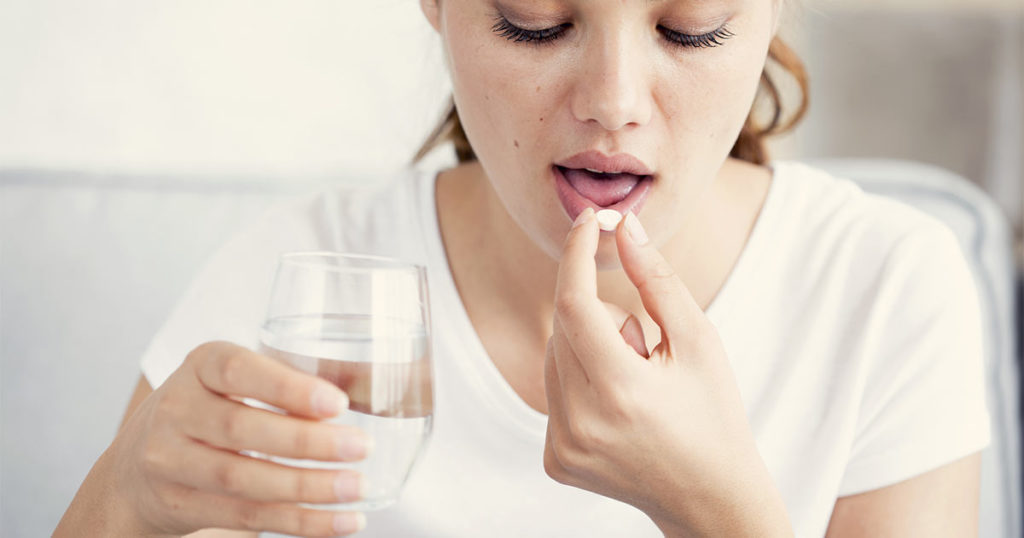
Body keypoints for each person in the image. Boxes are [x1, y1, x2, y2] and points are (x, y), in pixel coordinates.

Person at [57, 0, 991, 536]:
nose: (614, 105)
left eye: (693, 26)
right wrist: (124, 499)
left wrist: (715, 509)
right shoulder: (298, 282)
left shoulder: (886, 287)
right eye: (535, 21)